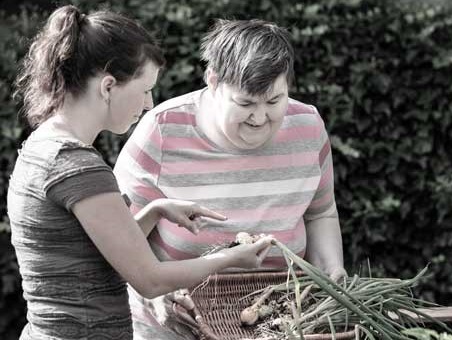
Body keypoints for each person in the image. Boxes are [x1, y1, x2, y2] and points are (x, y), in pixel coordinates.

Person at [7, 6, 274, 340]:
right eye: (145, 88)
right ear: (108, 86)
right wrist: (231, 258)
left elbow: (95, 253)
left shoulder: (41, 145)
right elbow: (150, 280)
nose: (149, 103)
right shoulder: (78, 166)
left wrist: (156, 210)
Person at [112, 18, 347, 339]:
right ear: (213, 80)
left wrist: (332, 268)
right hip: (178, 328)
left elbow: (320, 212)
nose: (260, 117)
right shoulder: (163, 131)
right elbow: (117, 240)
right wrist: (153, 294)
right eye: (245, 103)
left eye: (274, 101)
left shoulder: (307, 127)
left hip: (276, 324)